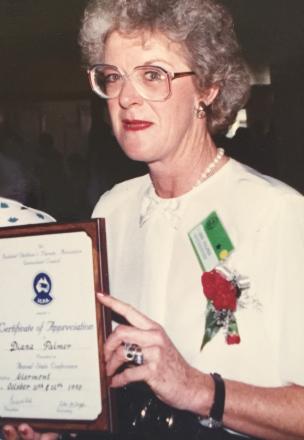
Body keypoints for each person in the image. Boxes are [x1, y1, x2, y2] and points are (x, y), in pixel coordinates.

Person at [3, 0, 304, 439]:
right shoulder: (112, 209)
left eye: (152, 75)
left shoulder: (278, 214)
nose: (125, 98)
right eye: (112, 77)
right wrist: (63, 424)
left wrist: (200, 389)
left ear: (208, 88)